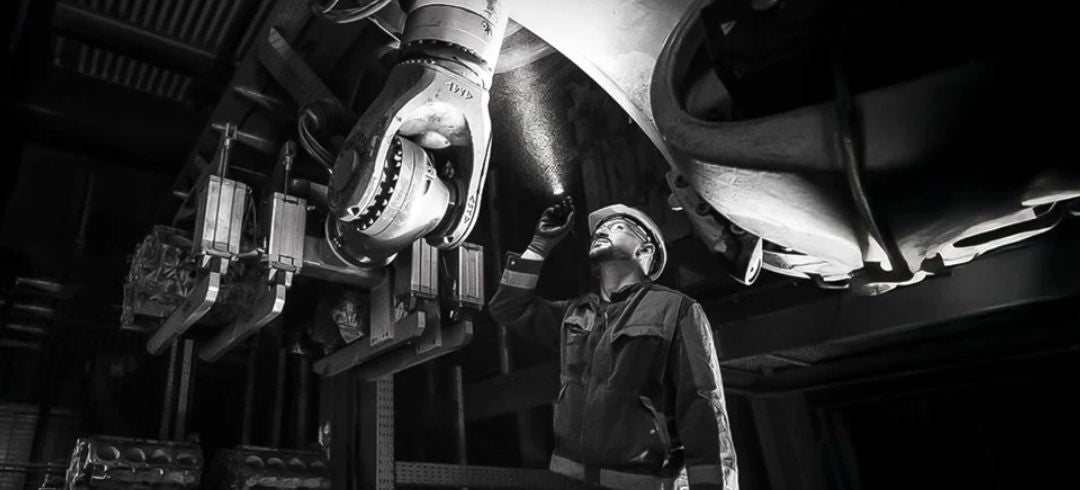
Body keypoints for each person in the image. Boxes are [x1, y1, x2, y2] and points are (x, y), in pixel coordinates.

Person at [489, 198, 739, 490]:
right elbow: (507, 308)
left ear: (645, 251)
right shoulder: (576, 312)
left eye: (617, 226)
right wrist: (540, 245)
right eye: (599, 230)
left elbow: (701, 404)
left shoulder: (675, 309)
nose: (602, 231)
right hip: (571, 479)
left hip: (643, 483)